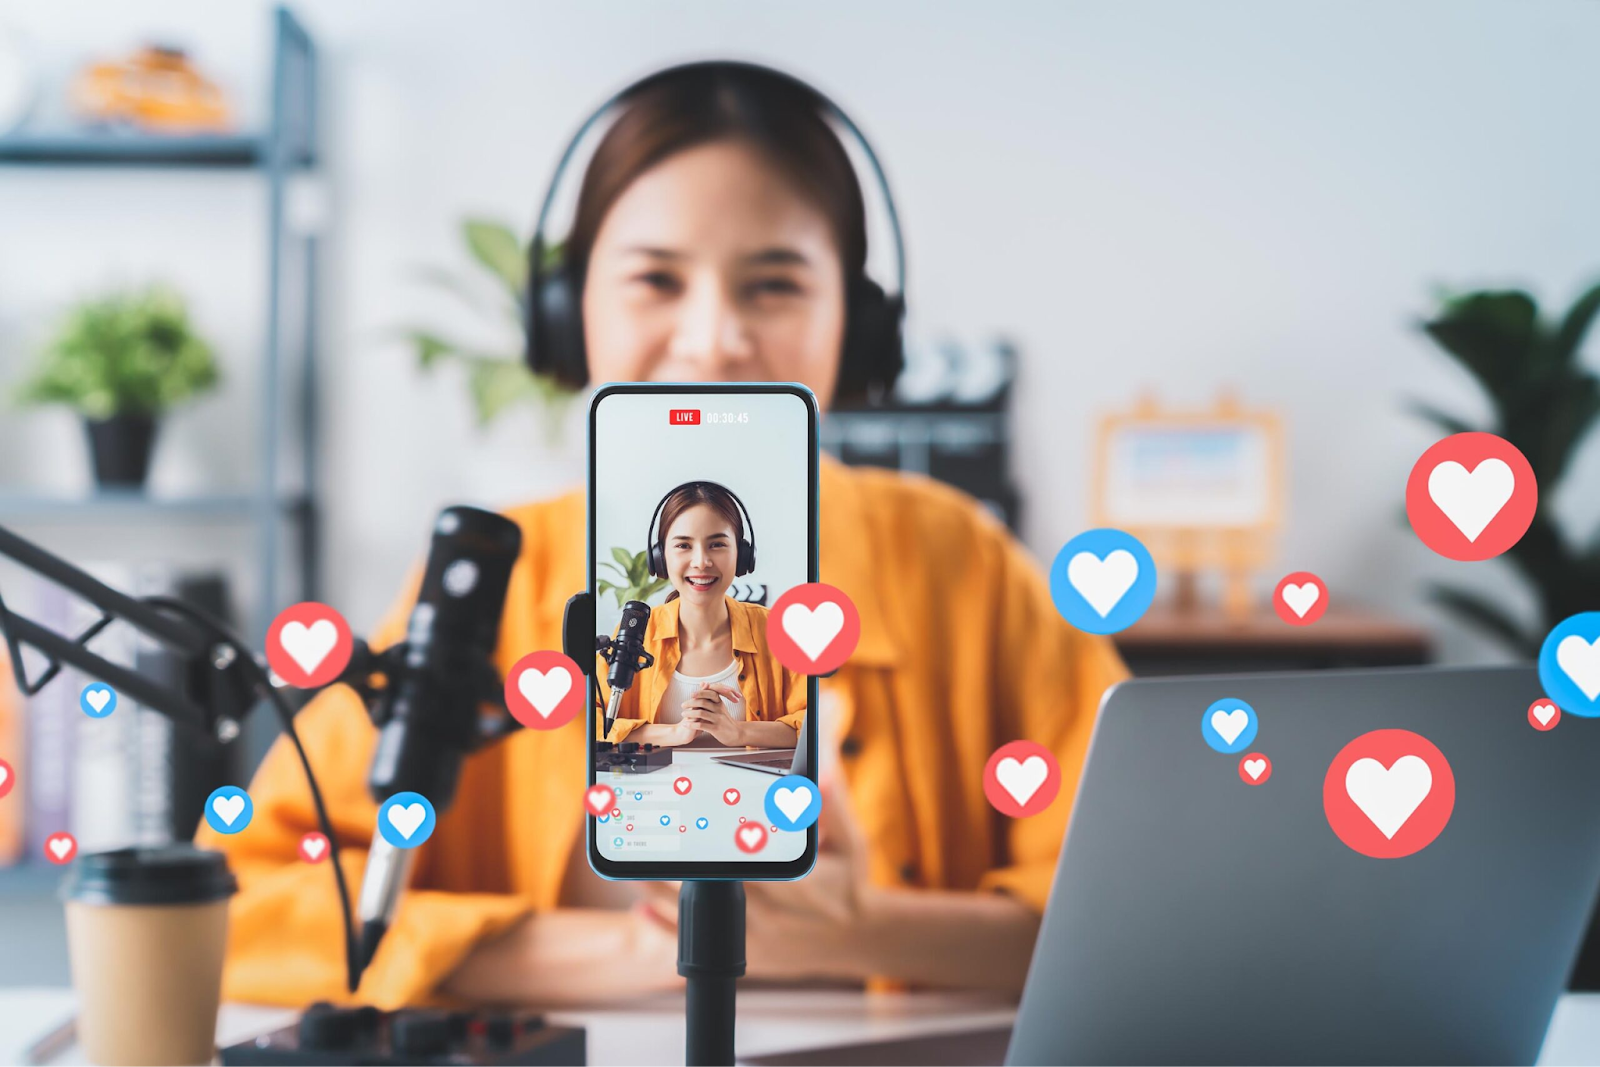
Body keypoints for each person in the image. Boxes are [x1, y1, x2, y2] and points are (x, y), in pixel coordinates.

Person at [198, 62, 1128, 1008]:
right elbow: (236, 903)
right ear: (568, 314)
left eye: (774, 285)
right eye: (655, 279)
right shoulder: (498, 575)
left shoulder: (960, 563)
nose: (713, 338)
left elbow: (1139, 915)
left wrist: (864, 927)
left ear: (858, 323)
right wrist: (631, 952)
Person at [600, 481, 804, 749]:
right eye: (683, 546)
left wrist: (739, 732)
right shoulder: (636, 633)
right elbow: (593, 725)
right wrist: (676, 733)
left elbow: (814, 724)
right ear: (660, 557)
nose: (701, 562)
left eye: (717, 544)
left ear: (742, 556)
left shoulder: (778, 631)